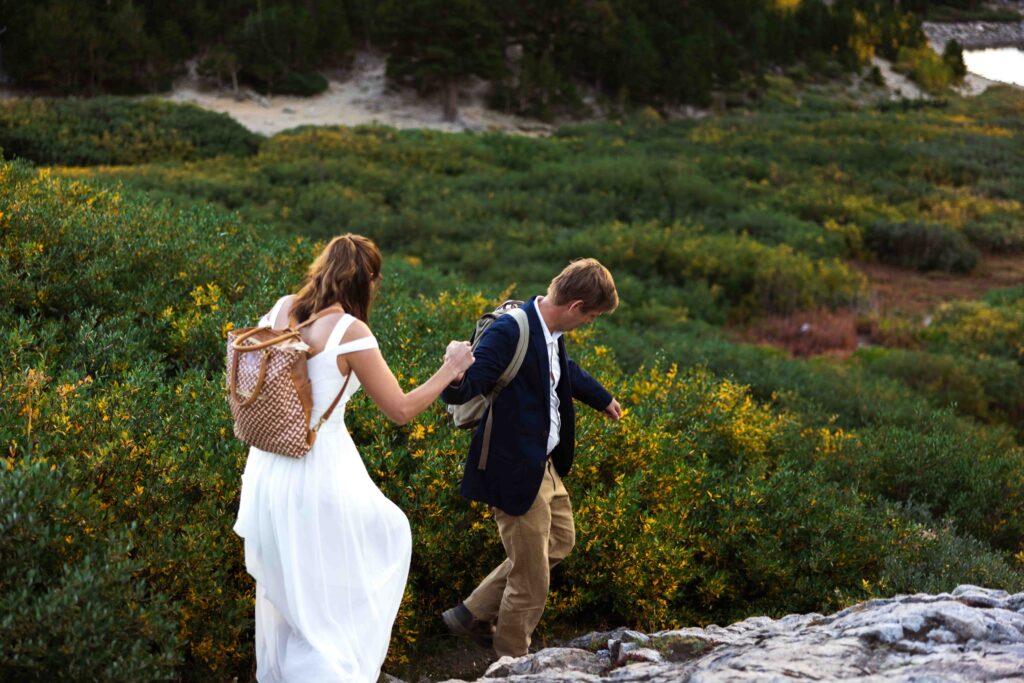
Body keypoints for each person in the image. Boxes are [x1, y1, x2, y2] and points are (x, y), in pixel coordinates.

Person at [233, 234, 474, 682]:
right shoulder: (350, 332)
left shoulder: (282, 309)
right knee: (355, 569)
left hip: (267, 468)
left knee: (291, 593)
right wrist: (451, 368)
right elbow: (400, 410)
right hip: (317, 470)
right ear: (367, 279)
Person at [440, 258, 622, 658]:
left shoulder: (552, 330)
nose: (588, 323)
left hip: (546, 465)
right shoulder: (510, 331)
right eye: (590, 317)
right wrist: (452, 367)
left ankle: (471, 612)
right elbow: (465, 387)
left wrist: (601, 396)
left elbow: (563, 370)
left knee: (561, 540)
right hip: (514, 470)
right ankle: (512, 661)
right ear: (575, 306)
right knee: (531, 580)